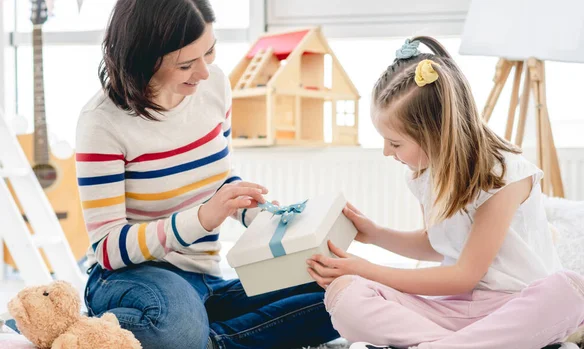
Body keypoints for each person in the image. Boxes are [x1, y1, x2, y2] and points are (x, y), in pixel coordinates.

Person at [76, 0, 338, 348]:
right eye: (186, 64)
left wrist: (256, 212)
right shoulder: (101, 122)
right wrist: (201, 219)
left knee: (340, 286)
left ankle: (208, 340)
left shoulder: (213, 86)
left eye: (209, 52)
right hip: (134, 278)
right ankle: (103, 331)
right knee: (175, 328)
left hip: (207, 281)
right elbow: (108, 247)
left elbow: (217, 180)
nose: (203, 72)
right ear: (143, 60)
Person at [306, 36, 584, 349]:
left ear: (437, 133)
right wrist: (377, 235)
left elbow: (464, 274)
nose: (386, 152)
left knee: (569, 290)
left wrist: (368, 268)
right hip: (457, 310)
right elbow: (436, 243)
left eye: (395, 143)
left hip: (515, 307)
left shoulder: (505, 177)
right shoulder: (425, 174)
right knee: (345, 294)